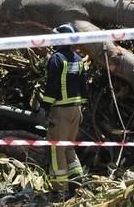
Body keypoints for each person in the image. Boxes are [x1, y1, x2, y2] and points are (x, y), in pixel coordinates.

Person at [40, 23, 88, 198]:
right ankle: (79, 183)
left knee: (56, 149)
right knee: (68, 146)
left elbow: (52, 86)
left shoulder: (56, 58)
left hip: (60, 110)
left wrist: (44, 107)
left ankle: (59, 189)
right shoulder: (78, 59)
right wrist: (83, 106)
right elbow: (84, 86)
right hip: (76, 110)